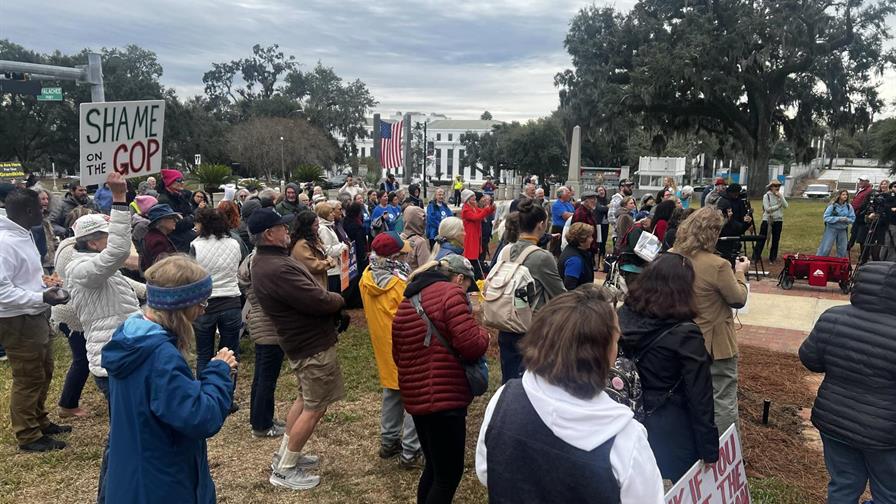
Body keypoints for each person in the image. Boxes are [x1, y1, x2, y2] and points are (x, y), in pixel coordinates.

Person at [475, 287, 664, 503]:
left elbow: (486, 472)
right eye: (615, 340)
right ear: (603, 354)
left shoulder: (504, 399)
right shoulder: (625, 439)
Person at [102, 255, 236, 504]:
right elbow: (199, 418)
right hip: (161, 481)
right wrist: (219, 371)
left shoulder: (131, 339)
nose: (203, 309)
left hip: (132, 473)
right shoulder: (161, 357)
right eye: (201, 302)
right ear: (181, 306)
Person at [249, 207, 346, 490]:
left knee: (305, 399)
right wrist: (338, 300)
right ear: (269, 234)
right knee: (315, 406)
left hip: (300, 340)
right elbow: (316, 299)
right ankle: (285, 470)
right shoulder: (277, 267)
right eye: (282, 227)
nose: (287, 231)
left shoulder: (267, 261)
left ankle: (285, 454)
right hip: (310, 342)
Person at [66, 173, 144, 500]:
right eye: (107, 236)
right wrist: (120, 199)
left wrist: (172, 289)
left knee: (130, 432)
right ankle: (109, 494)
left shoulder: (99, 271)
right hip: (112, 363)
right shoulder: (82, 269)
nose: (111, 242)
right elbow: (118, 252)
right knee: (122, 436)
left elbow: (134, 288)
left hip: (124, 356)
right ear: (94, 241)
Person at [392, 254, 490, 503]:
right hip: (445, 397)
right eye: (468, 284)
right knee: (448, 474)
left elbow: (397, 353)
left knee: (434, 468)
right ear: (459, 278)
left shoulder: (408, 299)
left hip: (416, 395)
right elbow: (471, 346)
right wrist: (484, 336)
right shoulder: (451, 294)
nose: (468, 291)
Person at [800, 261, 896, 504]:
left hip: (834, 421)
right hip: (885, 432)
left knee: (843, 484)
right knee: (888, 492)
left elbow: (810, 359)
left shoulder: (833, 318)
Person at [618, 253, 718, 481]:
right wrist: (709, 449)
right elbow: (700, 395)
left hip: (627, 415)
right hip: (669, 425)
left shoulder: (624, 315)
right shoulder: (686, 335)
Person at [0, 188, 71, 452]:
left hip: (33, 313)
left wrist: (46, 286)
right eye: (40, 208)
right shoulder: (5, 242)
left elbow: (23, 276)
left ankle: (39, 419)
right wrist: (42, 297)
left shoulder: (23, 233)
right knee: (28, 377)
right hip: (16, 319)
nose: (44, 211)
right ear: (29, 211)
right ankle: (28, 435)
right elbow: (2, 291)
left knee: (44, 370)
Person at [671, 207, 749, 433]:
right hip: (714, 346)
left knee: (685, 395)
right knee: (722, 399)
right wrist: (741, 272)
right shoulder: (718, 265)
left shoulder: (670, 255)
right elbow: (738, 299)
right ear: (713, 233)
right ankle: (725, 453)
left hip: (678, 340)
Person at [360, 232, 423, 467]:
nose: (407, 256)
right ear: (395, 257)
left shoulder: (366, 278)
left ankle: (388, 441)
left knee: (392, 392)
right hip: (405, 346)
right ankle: (411, 450)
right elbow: (415, 314)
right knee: (414, 398)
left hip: (384, 346)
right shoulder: (400, 285)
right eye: (404, 253)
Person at [495, 199, 566, 384]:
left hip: (506, 321)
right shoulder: (542, 257)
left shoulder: (506, 250)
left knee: (508, 378)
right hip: (531, 327)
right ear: (541, 224)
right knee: (531, 381)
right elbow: (560, 295)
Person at [190, 208, 244, 411]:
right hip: (231, 300)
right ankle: (227, 399)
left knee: (204, 353)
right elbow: (238, 263)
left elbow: (192, 272)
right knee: (230, 352)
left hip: (205, 303)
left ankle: (205, 398)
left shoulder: (195, 245)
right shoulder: (234, 242)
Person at [239, 244, 287, 438]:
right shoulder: (260, 264)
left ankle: (261, 418)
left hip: (261, 322)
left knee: (261, 376)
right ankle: (262, 425)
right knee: (266, 378)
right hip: (268, 325)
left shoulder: (251, 260)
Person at [290, 210, 336, 288]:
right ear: (307, 227)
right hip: (311, 286)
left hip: (319, 282)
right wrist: (329, 262)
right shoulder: (302, 245)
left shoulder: (313, 239)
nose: (318, 227)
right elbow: (313, 266)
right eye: (316, 225)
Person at [461, 189, 495, 279]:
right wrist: (487, 209)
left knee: (476, 255)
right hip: (470, 236)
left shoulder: (473, 208)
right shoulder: (466, 210)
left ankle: (476, 273)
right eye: (472, 197)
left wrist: (491, 208)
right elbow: (477, 217)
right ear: (467, 199)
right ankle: (474, 275)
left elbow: (482, 212)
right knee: (471, 256)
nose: (475, 199)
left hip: (476, 235)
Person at [753, 180, 788, 263]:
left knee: (776, 240)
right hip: (767, 220)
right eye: (775, 186)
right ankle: (756, 257)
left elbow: (786, 205)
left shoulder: (780, 195)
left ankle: (773, 258)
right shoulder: (766, 196)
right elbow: (767, 209)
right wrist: (778, 206)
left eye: (779, 186)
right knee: (762, 238)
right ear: (771, 187)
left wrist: (781, 197)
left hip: (778, 220)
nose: (777, 188)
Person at [317, 202, 349, 293]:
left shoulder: (329, 226)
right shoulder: (323, 229)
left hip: (336, 267)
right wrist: (342, 247)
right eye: (330, 212)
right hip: (331, 270)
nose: (333, 214)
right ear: (325, 214)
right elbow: (327, 250)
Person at [140, 204, 181, 272]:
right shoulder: (158, 241)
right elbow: (163, 269)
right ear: (161, 221)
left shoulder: (153, 235)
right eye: (172, 217)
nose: (175, 220)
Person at [817, 190, 856, 258]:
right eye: (843, 194)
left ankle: (841, 264)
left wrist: (847, 220)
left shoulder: (849, 206)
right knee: (826, 248)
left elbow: (853, 218)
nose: (845, 196)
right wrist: (838, 219)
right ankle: (820, 261)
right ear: (839, 196)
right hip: (831, 229)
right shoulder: (832, 205)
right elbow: (826, 217)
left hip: (842, 229)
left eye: (846, 195)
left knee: (842, 249)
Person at [558, 222, 595, 290]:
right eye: (589, 237)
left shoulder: (569, 249)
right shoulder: (575, 260)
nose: (592, 239)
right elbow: (569, 287)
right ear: (581, 239)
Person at [400, 206, 431, 271]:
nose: (425, 223)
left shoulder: (400, 238)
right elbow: (426, 269)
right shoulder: (420, 242)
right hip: (415, 278)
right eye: (423, 220)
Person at [848, 176, 873, 253]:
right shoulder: (860, 190)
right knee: (853, 233)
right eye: (860, 180)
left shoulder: (869, 191)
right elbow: (855, 201)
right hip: (857, 215)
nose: (860, 182)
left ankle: (863, 256)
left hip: (862, 216)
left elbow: (863, 203)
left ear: (867, 182)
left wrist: (853, 208)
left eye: (863, 181)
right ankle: (847, 249)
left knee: (861, 237)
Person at [549, 187, 575, 257]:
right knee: (557, 249)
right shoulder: (557, 204)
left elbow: (573, 213)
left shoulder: (568, 204)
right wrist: (575, 214)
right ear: (561, 194)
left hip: (567, 228)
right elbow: (566, 216)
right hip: (559, 229)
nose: (569, 193)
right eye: (567, 192)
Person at [594, 186, 610, 262]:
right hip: (598, 224)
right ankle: (596, 260)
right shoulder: (596, 200)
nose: (601, 191)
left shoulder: (607, 200)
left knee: (604, 241)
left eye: (603, 190)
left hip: (606, 224)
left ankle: (602, 259)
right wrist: (607, 207)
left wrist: (606, 207)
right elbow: (600, 209)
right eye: (599, 190)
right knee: (598, 242)